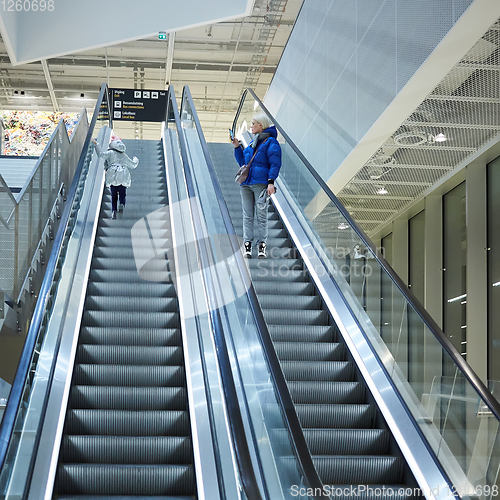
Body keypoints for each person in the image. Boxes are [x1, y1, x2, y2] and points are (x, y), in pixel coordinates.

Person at [232, 113, 282, 258]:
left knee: (261, 216)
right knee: (247, 215)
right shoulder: (251, 144)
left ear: (261, 125)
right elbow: (243, 163)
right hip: (246, 184)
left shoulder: (271, 142)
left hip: (260, 183)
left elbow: (275, 163)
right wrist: (237, 147)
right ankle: (247, 244)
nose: (251, 126)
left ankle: (262, 245)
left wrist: (271, 182)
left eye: (254, 123)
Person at [92, 137, 139, 219]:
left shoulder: (110, 153)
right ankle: (121, 203)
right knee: (122, 193)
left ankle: (114, 211)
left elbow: (101, 154)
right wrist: (136, 159)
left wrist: (96, 144)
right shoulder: (124, 155)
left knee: (113, 195)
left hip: (112, 175)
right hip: (123, 175)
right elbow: (133, 165)